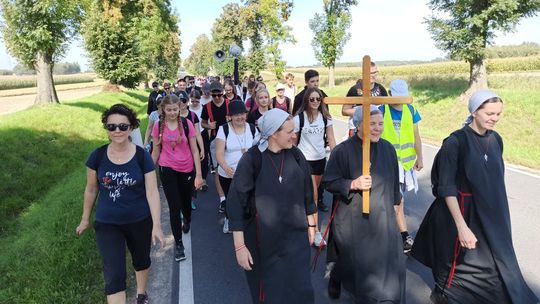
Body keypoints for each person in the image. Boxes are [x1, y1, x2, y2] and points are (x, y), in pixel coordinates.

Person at [411, 90, 539, 304]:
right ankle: (445, 293)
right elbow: (446, 187)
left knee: (494, 263)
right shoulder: (455, 142)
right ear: (474, 111)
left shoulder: (496, 139)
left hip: (489, 214)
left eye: (498, 114)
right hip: (460, 213)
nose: (494, 118)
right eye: (489, 113)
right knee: (460, 262)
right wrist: (461, 226)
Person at [76, 104, 165, 304]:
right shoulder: (97, 156)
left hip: (139, 220)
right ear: (107, 129)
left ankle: (141, 294)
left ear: (131, 128)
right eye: (112, 126)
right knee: (114, 274)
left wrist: (157, 225)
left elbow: (152, 191)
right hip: (107, 223)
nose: (117, 131)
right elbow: (91, 189)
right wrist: (84, 219)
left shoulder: (142, 157)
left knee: (141, 261)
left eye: (123, 127)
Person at [227, 109, 316, 303]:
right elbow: (235, 204)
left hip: (296, 238)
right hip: (264, 242)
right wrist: (240, 246)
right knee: (271, 293)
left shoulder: (296, 154)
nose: (295, 135)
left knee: (301, 289)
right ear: (274, 134)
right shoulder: (252, 159)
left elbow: (307, 192)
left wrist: (312, 225)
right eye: (289, 131)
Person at [323, 106, 405, 302]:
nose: (378, 128)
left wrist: (396, 210)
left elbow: (394, 184)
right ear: (359, 125)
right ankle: (337, 276)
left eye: (380, 124)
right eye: (372, 124)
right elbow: (329, 182)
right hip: (353, 217)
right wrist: (353, 183)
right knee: (352, 260)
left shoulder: (388, 149)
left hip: (382, 217)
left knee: (382, 266)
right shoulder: (342, 151)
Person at [151, 94, 203, 262]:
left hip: (186, 168)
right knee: (174, 206)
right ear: (163, 110)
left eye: (175, 109)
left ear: (179, 108)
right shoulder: (158, 126)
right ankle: (179, 244)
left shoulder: (187, 124)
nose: (172, 113)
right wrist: (149, 171)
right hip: (167, 168)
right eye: (169, 110)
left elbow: (194, 150)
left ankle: (187, 218)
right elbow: (156, 150)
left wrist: (199, 174)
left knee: (185, 203)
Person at [380, 79, 423, 254]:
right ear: (390, 95)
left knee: (399, 199)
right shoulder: (382, 109)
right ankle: (398, 235)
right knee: (396, 200)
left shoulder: (411, 110)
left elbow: (416, 135)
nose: (399, 100)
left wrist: (419, 156)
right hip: (387, 162)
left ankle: (401, 235)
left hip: (405, 164)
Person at [294, 87, 336, 246]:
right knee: (314, 196)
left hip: (320, 160)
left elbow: (331, 139)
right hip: (304, 161)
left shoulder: (326, 118)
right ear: (306, 100)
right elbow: (293, 141)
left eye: (318, 99)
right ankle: (315, 232)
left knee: (311, 195)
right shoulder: (299, 119)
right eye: (312, 99)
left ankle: (306, 220)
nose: (315, 102)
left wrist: (337, 156)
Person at [215, 100, 258, 233]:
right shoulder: (224, 129)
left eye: (242, 114)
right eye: (236, 114)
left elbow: (258, 148)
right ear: (230, 116)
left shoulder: (252, 128)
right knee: (231, 200)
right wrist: (225, 167)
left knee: (248, 198)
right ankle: (229, 219)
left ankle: (247, 221)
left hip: (248, 173)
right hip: (228, 173)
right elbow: (219, 153)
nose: (240, 117)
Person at [201, 81, 230, 213]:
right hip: (215, 140)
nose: (217, 97)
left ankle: (233, 194)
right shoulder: (206, 107)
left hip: (231, 139)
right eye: (214, 95)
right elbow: (203, 123)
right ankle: (222, 199)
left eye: (219, 94)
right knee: (218, 169)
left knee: (232, 167)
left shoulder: (230, 104)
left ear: (223, 92)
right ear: (210, 94)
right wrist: (209, 126)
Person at [342, 61, 388, 137]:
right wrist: (364, 111)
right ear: (364, 74)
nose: (373, 75)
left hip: (375, 131)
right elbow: (344, 111)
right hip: (357, 130)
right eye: (370, 73)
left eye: (375, 72)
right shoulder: (355, 90)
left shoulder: (381, 89)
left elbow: (387, 109)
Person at [178, 91, 206, 210]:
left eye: (183, 101)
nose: (181, 104)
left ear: (186, 101)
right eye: (178, 102)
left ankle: (189, 199)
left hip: (191, 150)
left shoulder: (193, 116)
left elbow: (198, 134)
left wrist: (202, 149)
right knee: (180, 178)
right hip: (178, 151)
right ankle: (180, 203)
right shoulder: (173, 116)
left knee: (190, 176)